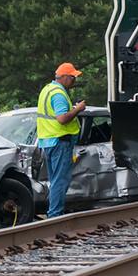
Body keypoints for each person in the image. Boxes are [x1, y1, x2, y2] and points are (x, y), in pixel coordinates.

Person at [37, 63, 87, 219]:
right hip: (60, 142)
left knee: (55, 180)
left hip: (48, 142)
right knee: (61, 181)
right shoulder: (58, 93)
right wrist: (78, 109)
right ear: (64, 77)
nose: (74, 81)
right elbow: (62, 119)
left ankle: (53, 213)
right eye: (72, 77)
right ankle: (55, 216)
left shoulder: (47, 90)